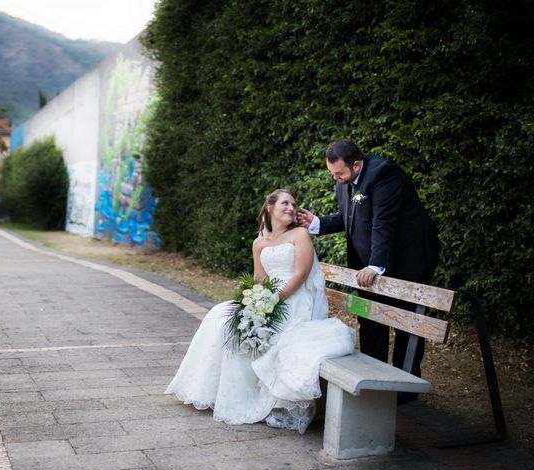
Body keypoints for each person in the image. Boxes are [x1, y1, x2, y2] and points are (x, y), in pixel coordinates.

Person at [165, 189, 355, 433]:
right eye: (285, 203)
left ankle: (261, 397)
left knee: (271, 334)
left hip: (295, 300)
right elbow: (259, 278)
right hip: (268, 298)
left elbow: (300, 274)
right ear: (270, 207)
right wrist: (254, 302)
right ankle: (217, 390)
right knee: (221, 317)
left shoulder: (300, 234)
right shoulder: (259, 242)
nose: (291, 208)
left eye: (294, 204)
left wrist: (274, 300)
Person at [297, 139, 440, 399]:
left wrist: (375, 264)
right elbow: (350, 216)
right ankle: (374, 384)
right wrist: (318, 222)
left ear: (357, 164)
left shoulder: (384, 174)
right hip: (374, 262)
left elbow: (383, 220)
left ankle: (403, 391)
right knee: (371, 319)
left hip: (410, 258)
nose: (336, 179)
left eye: (339, 173)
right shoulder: (344, 180)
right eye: (332, 173)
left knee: (407, 321)